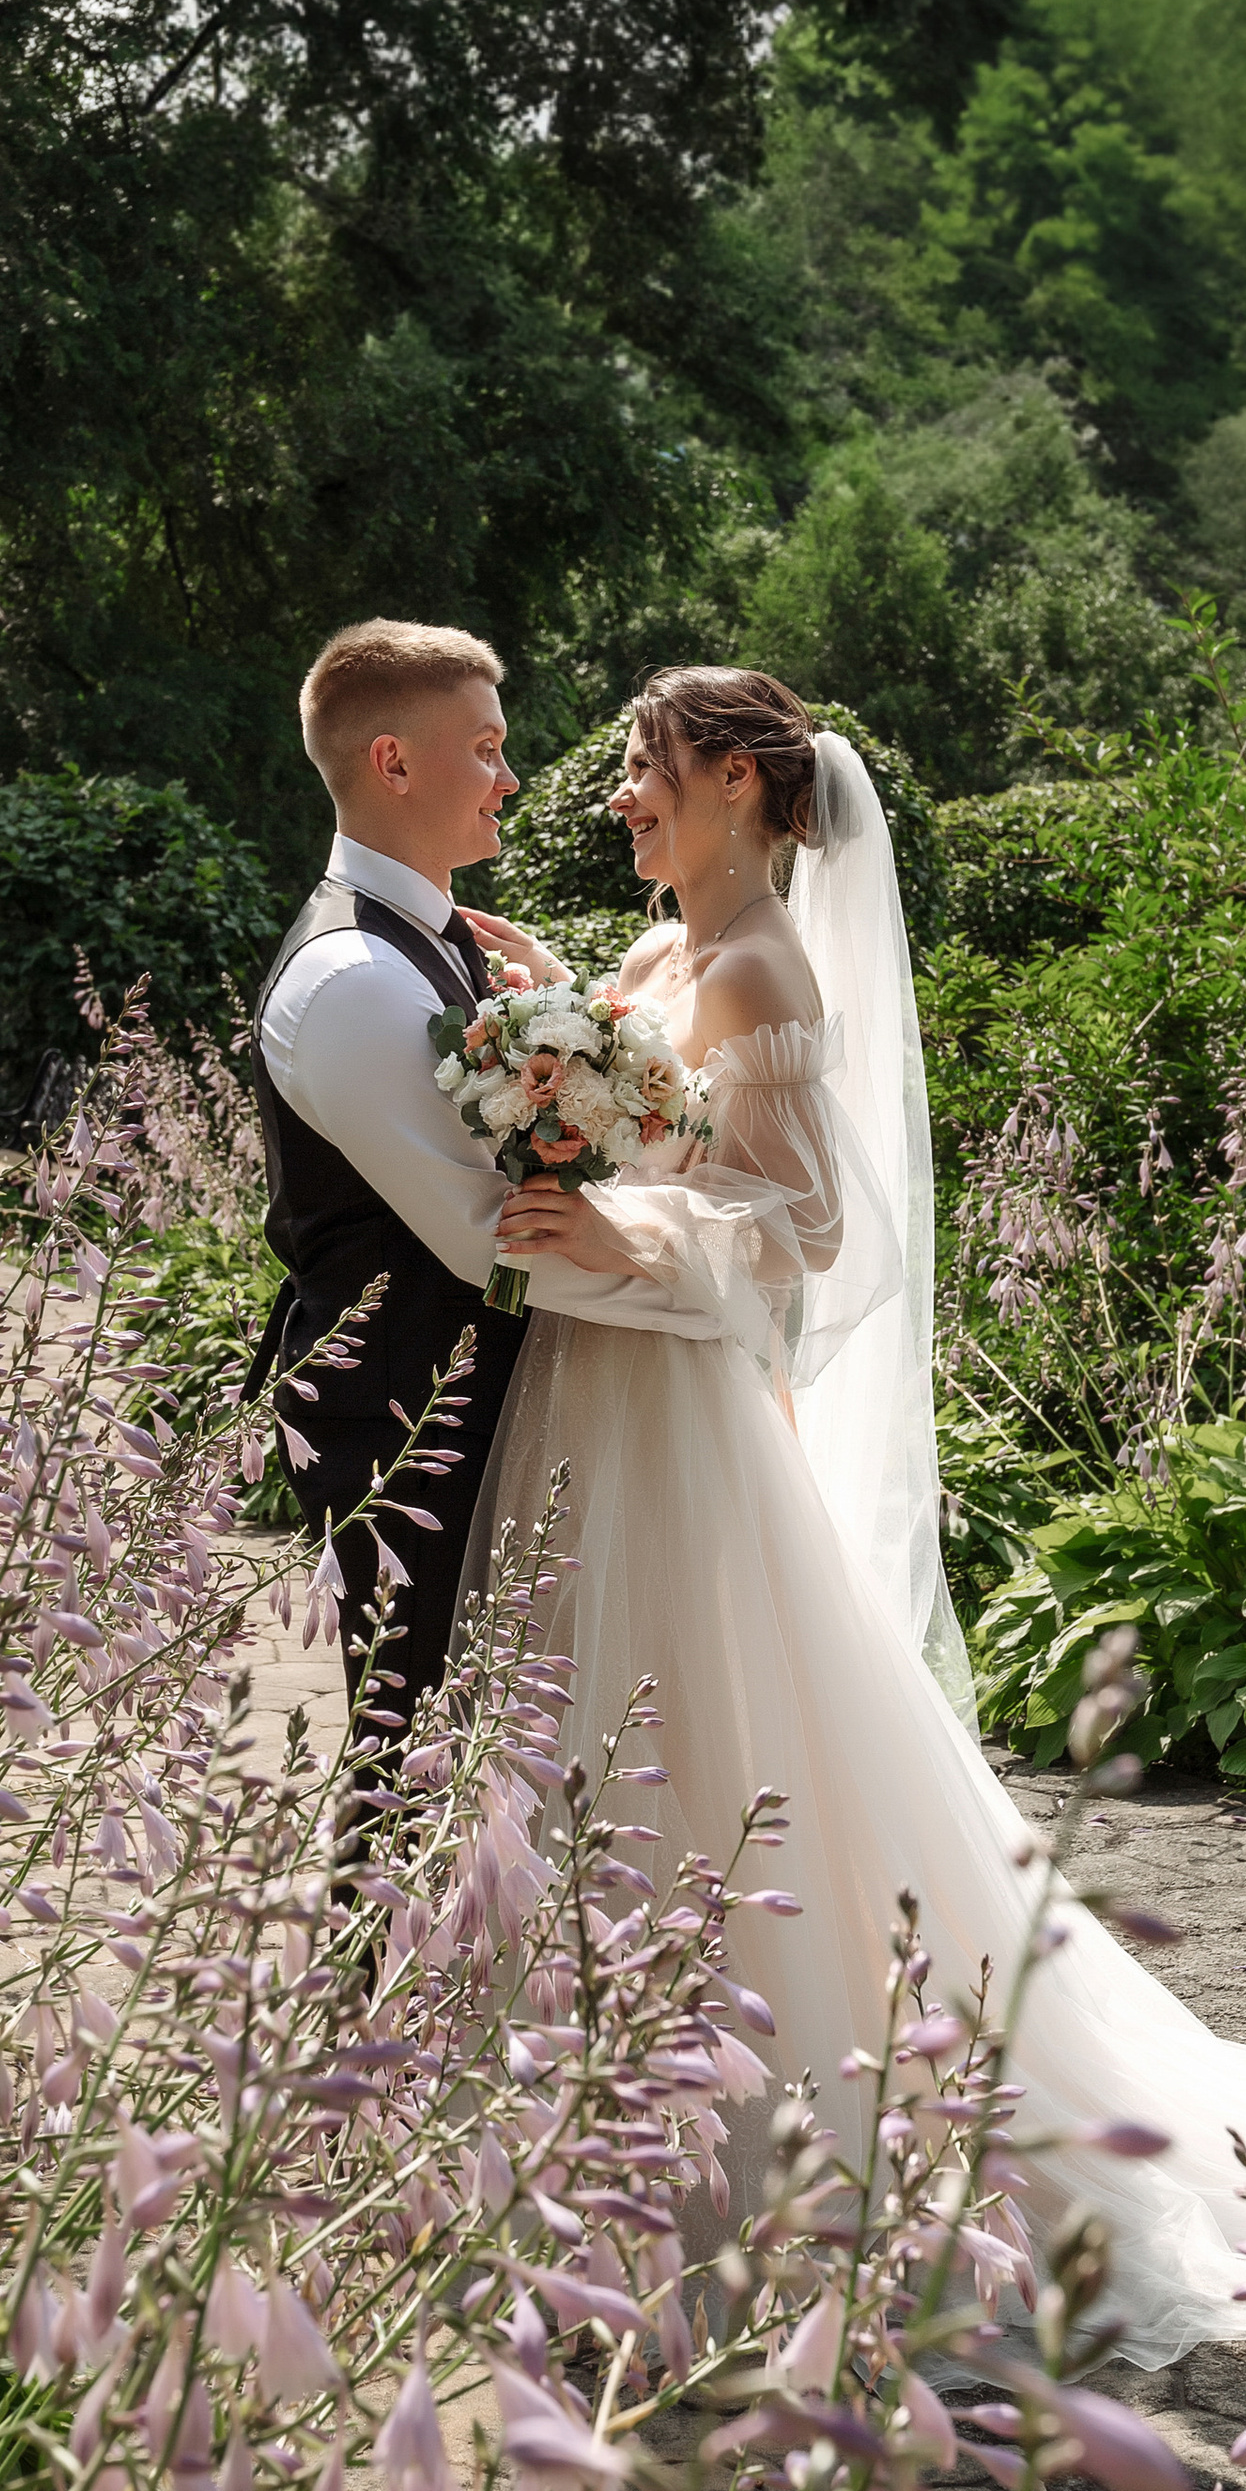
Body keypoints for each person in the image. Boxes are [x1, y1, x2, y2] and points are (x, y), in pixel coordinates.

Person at [463, 665, 1246, 2364]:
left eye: (648, 768)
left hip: (678, 1412)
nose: (621, 792)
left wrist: (630, 1242)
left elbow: (807, 1227)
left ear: (745, 793)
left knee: (708, 1747)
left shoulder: (767, 966)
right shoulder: (654, 952)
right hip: (595, 1394)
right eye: (630, 769)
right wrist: (557, 1024)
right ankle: (557, 2132)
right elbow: (657, 1112)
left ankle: (733, 2165)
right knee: (587, 1738)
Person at [249, 620, 737, 1742]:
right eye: (485, 748)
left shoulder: (432, 938)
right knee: (414, 1764)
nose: (511, 778)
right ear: (393, 762)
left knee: (482, 1765)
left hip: (462, 1407)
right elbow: (492, 1235)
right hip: (402, 1426)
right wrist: (708, 1296)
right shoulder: (354, 979)